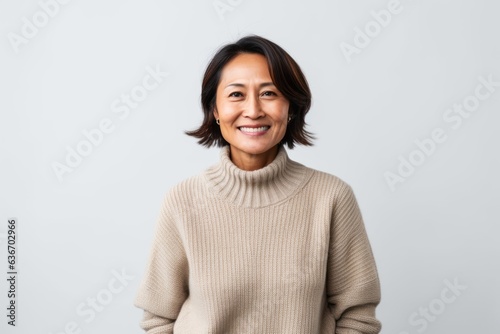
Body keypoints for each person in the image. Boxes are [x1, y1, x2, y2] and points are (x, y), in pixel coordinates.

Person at [134, 35, 382, 333]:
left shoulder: (331, 198)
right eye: (236, 95)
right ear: (214, 109)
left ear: (291, 107)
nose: (253, 111)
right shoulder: (183, 200)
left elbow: (358, 317)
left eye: (269, 93)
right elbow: (159, 319)